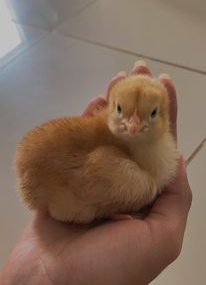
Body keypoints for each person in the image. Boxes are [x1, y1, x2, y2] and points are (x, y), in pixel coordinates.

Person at [0, 63, 192, 285]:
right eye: (121, 111)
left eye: (151, 114)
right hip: (50, 187)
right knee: (140, 185)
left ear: (163, 114)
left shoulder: (129, 161)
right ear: (113, 109)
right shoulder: (134, 178)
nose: (133, 126)